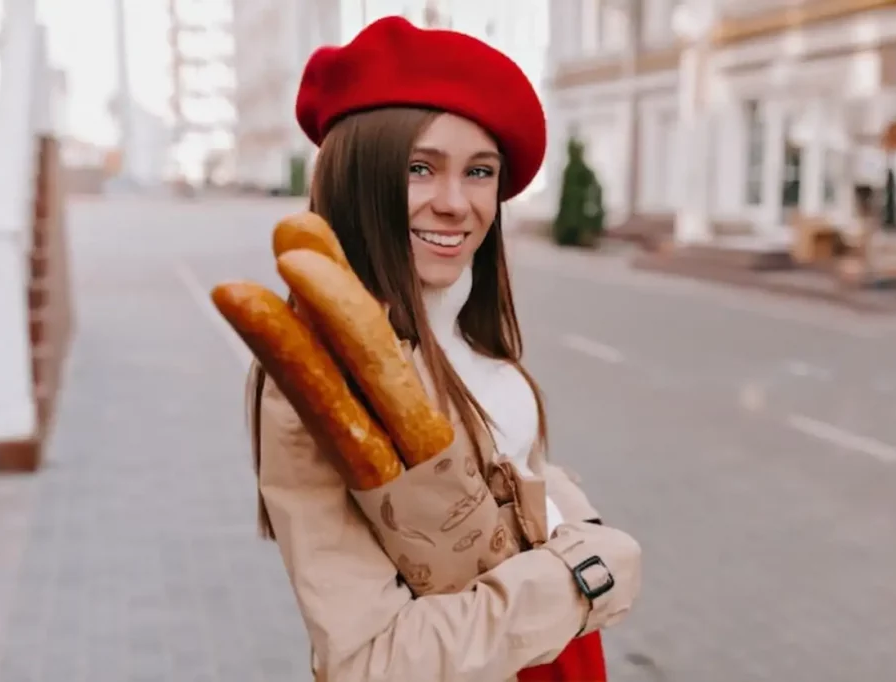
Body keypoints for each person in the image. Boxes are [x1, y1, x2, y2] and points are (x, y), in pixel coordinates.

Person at [245, 15, 643, 682]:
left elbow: (517, 464)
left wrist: (583, 523)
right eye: (420, 168)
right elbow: (369, 659)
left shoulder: (463, 326)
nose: (456, 203)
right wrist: (587, 577)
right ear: (357, 179)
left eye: (480, 171)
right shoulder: (313, 382)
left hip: (558, 650)